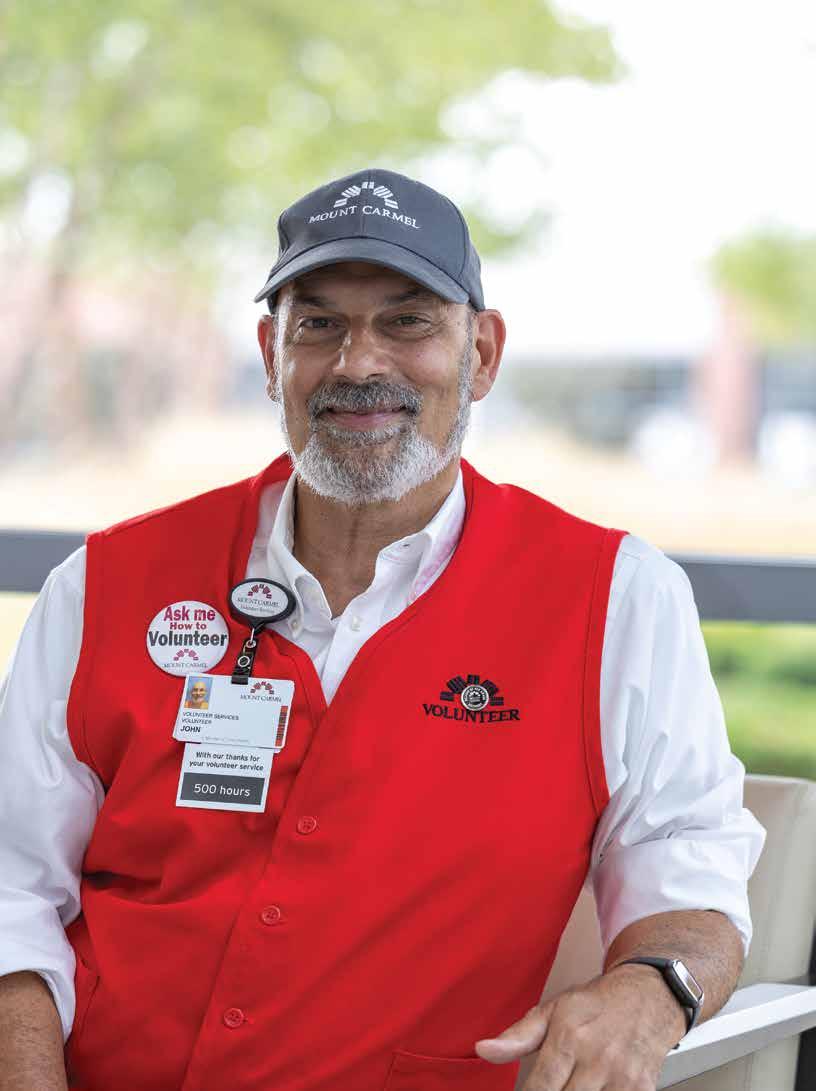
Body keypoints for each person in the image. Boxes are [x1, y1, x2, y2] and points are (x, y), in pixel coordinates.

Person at [0, 168, 765, 1091]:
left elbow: (690, 869)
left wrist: (653, 989)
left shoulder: (619, 601)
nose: (358, 363)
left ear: (483, 353)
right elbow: (10, 884)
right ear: (271, 354)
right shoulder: (105, 584)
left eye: (407, 322)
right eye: (319, 324)